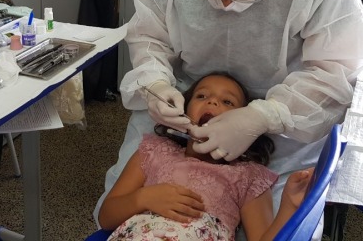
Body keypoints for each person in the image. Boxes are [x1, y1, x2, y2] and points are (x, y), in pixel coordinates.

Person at [94, 0, 363, 225]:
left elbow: (336, 71)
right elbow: (149, 36)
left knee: (290, 221)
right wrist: (155, 82)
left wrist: (261, 116)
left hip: (287, 116)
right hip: (183, 100)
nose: (226, 5)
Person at [99, 72, 313, 240]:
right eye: (201, 96)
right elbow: (107, 216)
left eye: (228, 102)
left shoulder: (249, 176)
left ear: (246, 123)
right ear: (184, 107)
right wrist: (144, 198)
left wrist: (289, 206)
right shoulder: (154, 152)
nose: (212, 102)